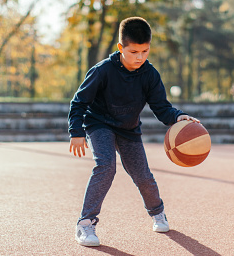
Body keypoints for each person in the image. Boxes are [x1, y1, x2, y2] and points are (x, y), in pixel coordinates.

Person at [68, 17, 200, 247]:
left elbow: (161, 107)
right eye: (134, 51)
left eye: (145, 51)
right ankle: (85, 224)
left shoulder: (150, 74)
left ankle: (158, 213)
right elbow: (78, 102)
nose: (140, 57)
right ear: (121, 48)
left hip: (128, 129)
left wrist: (178, 116)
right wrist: (76, 131)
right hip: (100, 124)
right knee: (106, 166)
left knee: (143, 176)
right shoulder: (102, 71)